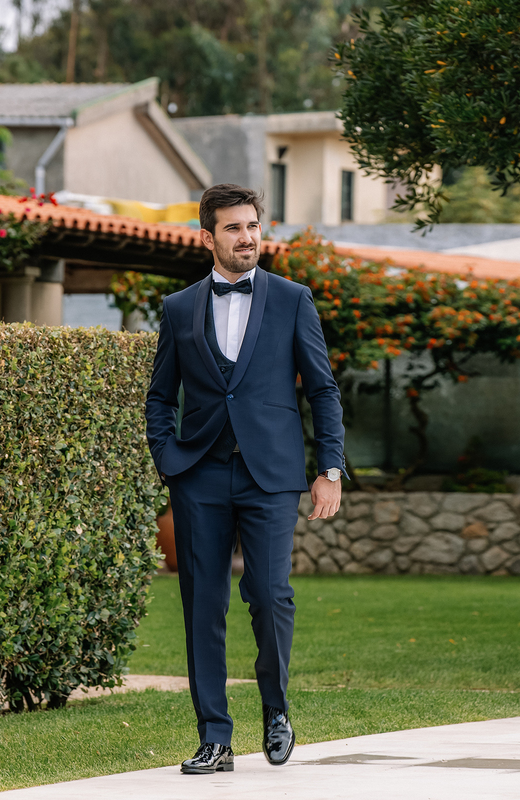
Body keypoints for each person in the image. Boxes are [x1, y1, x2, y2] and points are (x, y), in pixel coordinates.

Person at [144, 184, 345, 774]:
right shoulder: (179, 308)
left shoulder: (291, 299)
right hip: (199, 473)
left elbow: (324, 390)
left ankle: (276, 711)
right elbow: (160, 396)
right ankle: (214, 737)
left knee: (268, 595)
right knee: (201, 604)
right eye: (232, 229)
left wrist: (329, 469)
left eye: (252, 226)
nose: (247, 238)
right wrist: (167, 455)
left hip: (272, 474)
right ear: (207, 238)